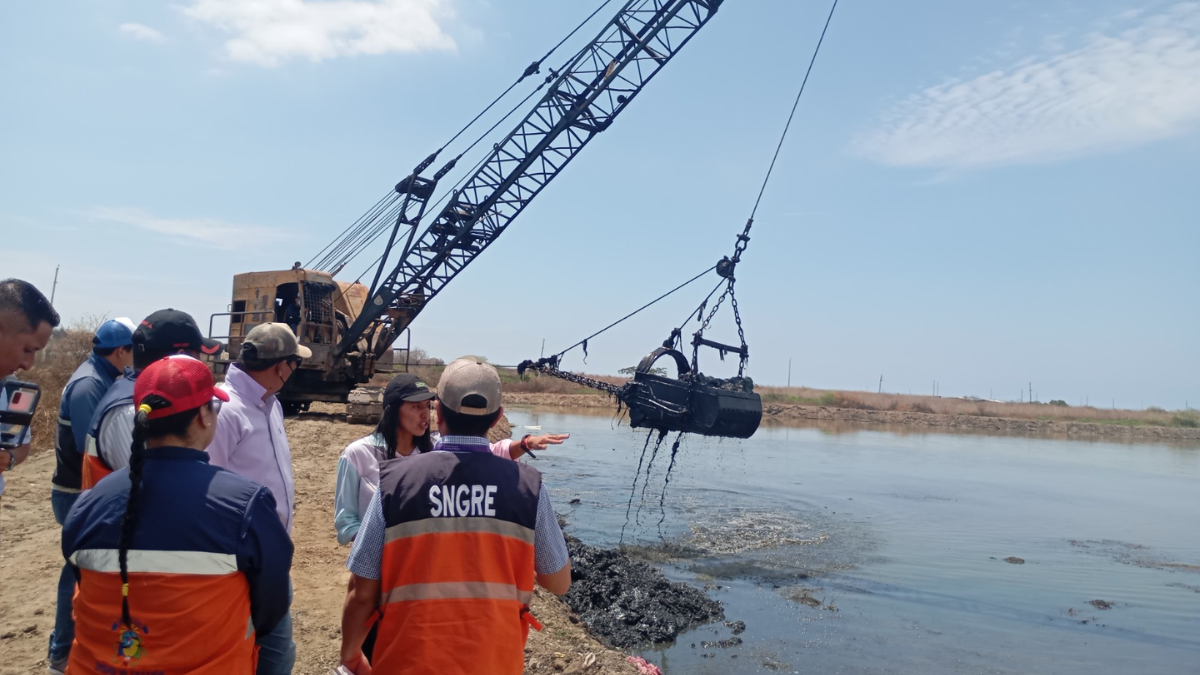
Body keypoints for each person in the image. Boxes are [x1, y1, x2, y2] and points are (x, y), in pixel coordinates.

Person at [61, 355, 293, 674]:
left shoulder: (87, 505)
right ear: (202, 416)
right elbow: (272, 604)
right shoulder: (245, 505)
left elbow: (84, 587)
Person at [339, 357, 572, 675]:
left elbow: (362, 591)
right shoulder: (529, 487)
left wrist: (351, 653)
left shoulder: (393, 482)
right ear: (497, 418)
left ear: (438, 414)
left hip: (407, 659)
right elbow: (558, 583)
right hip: (494, 661)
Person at [334, 372, 569, 545]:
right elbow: (345, 522)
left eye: (427, 406)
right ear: (392, 411)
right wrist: (379, 545)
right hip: (380, 563)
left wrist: (525, 444)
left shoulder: (436, 448)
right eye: (415, 406)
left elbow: (491, 452)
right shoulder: (358, 454)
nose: (424, 414)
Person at [206, 322, 310, 675]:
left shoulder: (270, 405)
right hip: (238, 563)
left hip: (271, 555)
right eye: (295, 365)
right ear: (282, 367)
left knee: (277, 654)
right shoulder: (226, 411)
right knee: (259, 655)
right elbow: (208, 489)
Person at [47, 317, 135, 672]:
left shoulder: (102, 377)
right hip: (75, 494)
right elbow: (93, 450)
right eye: (133, 351)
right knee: (78, 574)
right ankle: (62, 653)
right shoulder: (88, 385)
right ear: (120, 352)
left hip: (81, 493)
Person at [82, 309, 223, 488]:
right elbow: (152, 491)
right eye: (198, 355)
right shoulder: (132, 409)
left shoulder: (135, 393)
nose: (201, 363)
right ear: (181, 356)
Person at [0, 279, 59, 541]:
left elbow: (21, 444)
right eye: (27, 349)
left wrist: (8, 459)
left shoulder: (7, 391)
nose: (28, 364)